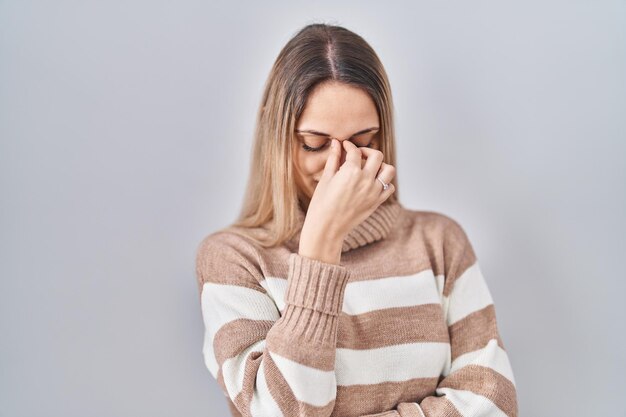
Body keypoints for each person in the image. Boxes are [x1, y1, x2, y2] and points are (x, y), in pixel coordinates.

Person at [195, 23, 518, 417]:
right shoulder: (233, 260)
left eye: (364, 141)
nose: (344, 164)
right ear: (274, 132)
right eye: (315, 143)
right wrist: (321, 247)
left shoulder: (439, 242)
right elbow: (280, 411)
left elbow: (494, 402)